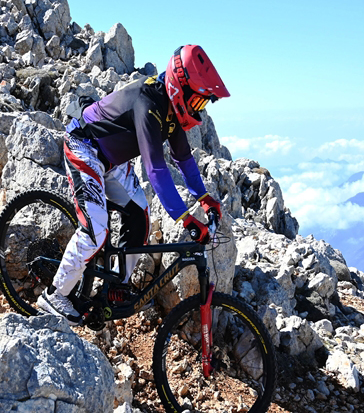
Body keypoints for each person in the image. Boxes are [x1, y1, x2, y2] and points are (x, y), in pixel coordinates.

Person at [36, 45, 230, 323]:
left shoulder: (171, 108)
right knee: (95, 231)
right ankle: (55, 295)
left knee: (140, 213)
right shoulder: (148, 104)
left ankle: (117, 286)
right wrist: (186, 219)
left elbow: (184, 159)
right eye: (197, 102)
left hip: (110, 160)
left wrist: (205, 197)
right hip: (84, 146)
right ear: (180, 88)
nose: (196, 110)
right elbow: (156, 169)